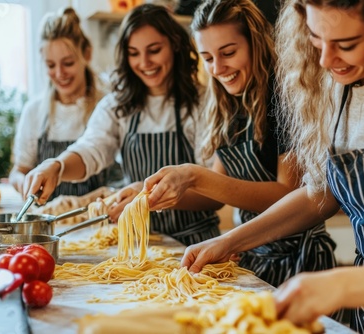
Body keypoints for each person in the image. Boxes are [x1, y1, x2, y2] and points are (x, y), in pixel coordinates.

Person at [170, 0, 364, 332]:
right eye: (316, 40)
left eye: (346, 45)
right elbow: (321, 194)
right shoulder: (337, 87)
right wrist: (229, 241)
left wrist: (343, 285)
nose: (325, 60)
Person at [144, 0, 337, 288]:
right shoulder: (229, 104)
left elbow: (288, 192)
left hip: (299, 261)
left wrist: (195, 175)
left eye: (229, 53)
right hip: (251, 256)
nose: (219, 68)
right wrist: (150, 194)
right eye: (208, 58)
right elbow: (217, 192)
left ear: (255, 43)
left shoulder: (284, 96)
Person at [21, 4, 220, 246]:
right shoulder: (118, 105)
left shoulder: (204, 103)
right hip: (139, 243)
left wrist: (148, 197)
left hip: (196, 243)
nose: (144, 62)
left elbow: (215, 193)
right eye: (134, 53)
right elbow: (92, 148)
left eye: (154, 50)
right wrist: (57, 166)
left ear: (175, 45)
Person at [9, 7, 109, 200]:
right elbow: (18, 171)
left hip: (98, 222)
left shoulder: (106, 107)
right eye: (51, 65)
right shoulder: (34, 112)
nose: (59, 73)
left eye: (68, 63)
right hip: (47, 222)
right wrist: (25, 184)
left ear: (86, 54)